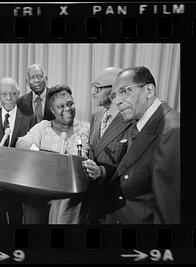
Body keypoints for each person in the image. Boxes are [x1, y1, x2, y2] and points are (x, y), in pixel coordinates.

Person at [101, 66, 180, 224]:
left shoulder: (171, 131)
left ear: (149, 90)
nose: (117, 101)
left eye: (125, 91)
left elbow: (168, 213)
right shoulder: (140, 120)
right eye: (115, 95)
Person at [16, 84, 90, 224]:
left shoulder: (86, 128)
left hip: (72, 201)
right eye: (60, 106)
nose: (67, 109)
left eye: (70, 104)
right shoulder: (43, 127)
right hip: (41, 197)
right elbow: (22, 143)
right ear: (52, 110)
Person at [0, 77, 36, 226]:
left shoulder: (30, 119)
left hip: (18, 180)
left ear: (18, 94)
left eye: (12, 93)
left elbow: (33, 152)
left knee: (16, 214)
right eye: (4, 94)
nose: (8, 98)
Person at [83, 67, 132, 224]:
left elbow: (132, 167)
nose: (92, 92)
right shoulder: (97, 116)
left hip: (114, 204)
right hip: (92, 200)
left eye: (97, 87)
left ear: (114, 91)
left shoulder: (130, 120)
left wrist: (102, 172)